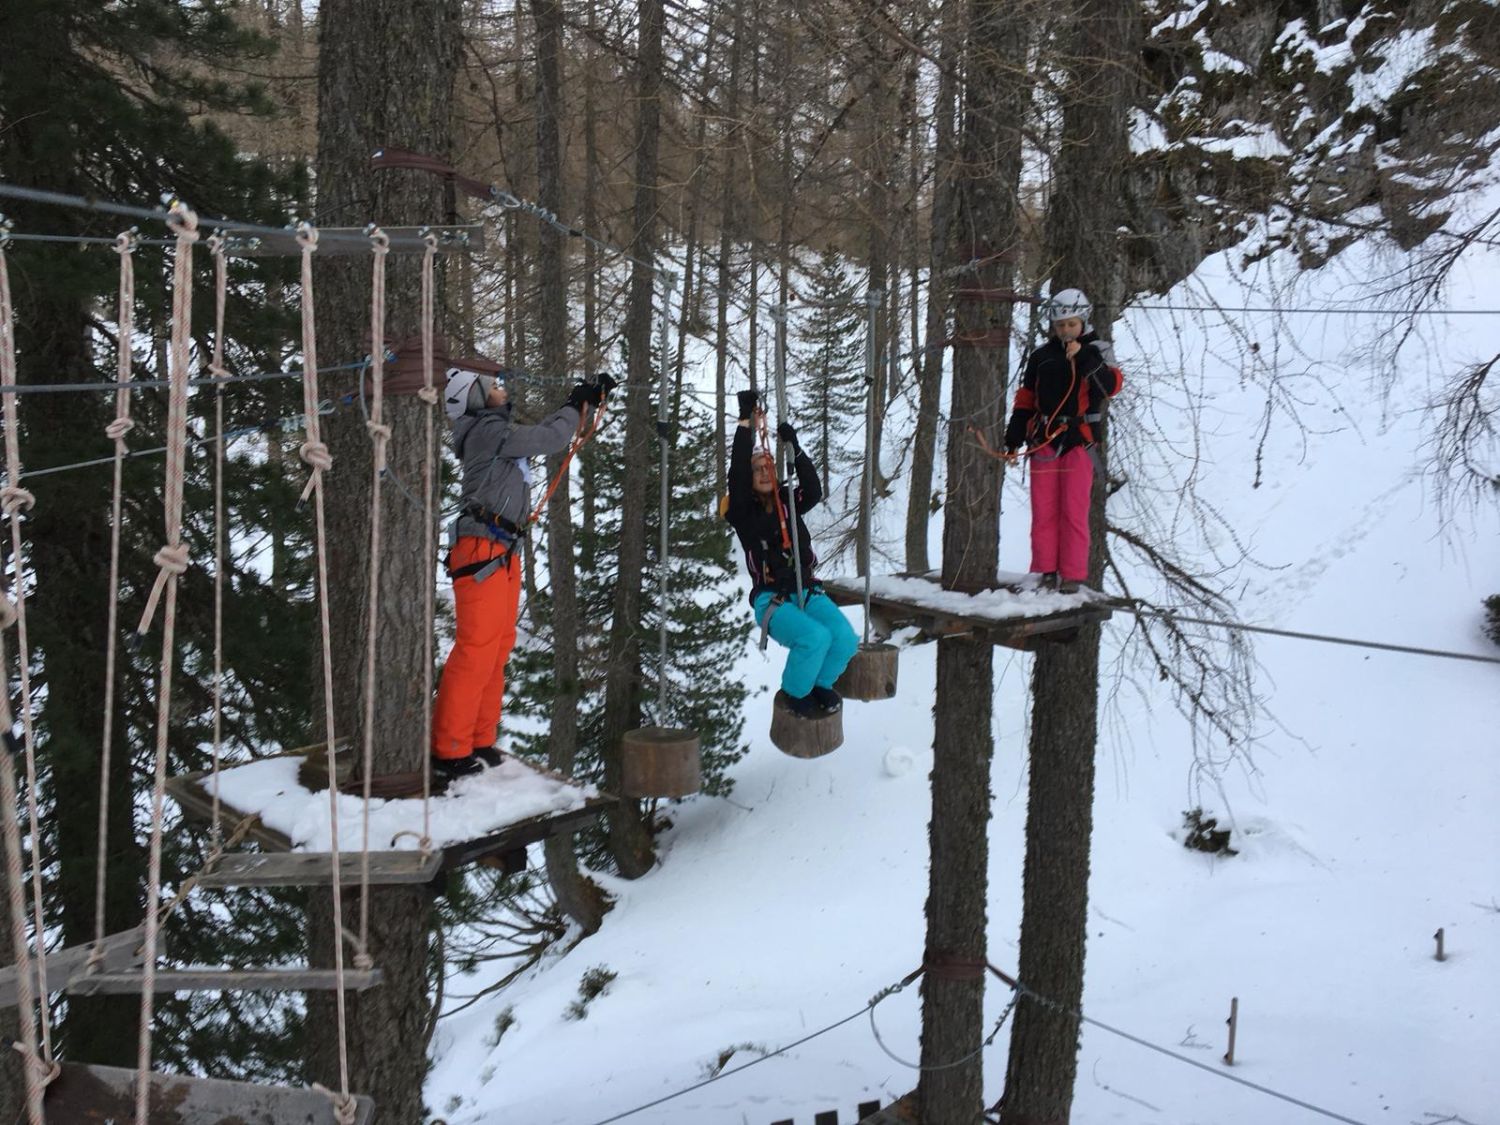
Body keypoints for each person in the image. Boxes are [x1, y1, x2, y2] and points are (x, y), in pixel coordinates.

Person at [431, 368, 614, 782]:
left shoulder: (495, 430)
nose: (502, 389)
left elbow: (545, 434)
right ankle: (449, 747)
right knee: (477, 648)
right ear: (475, 397)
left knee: (497, 647)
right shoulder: (486, 431)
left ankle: (479, 738)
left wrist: (580, 403)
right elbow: (549, 438)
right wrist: (574, 404)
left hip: (500, 549)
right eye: (493, 386)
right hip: (482, 548)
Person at [724, 389, 858, 719]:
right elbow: (737, 476)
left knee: (844, 639)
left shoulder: (789, 502)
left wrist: (795, 448)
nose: (764, 472)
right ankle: (796, 693)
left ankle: (819, 683)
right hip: (772, 598)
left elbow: (813, 489)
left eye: (769, 467)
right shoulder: (743, 511)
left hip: (807, 589)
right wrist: (746, 423)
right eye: (758, 469)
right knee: (814, 637)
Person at [1003, 288, 1124, 594]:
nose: (1066, 330)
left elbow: (1111, 386)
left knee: (1074, 511)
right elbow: (1026, 398)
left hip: (1080, 440)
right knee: (1044, 510)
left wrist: (1083, 357)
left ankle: (1072, 574)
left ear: (1083, 321)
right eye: (1060, 325)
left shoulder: (1098, 350)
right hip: (1044, 439)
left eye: (1072, 324)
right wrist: (1014, 438)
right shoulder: (1041, 356)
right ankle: (1045, 569)